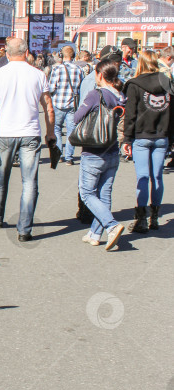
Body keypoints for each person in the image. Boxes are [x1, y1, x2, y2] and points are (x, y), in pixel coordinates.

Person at [0, 38, 55, 243]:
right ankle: (24, 229)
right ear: (26, 52)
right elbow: (48, 107)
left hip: (5, 134)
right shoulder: (38, 74)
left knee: (0, 178)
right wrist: (50, 134)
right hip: (30, 134)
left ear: (7, 53)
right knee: (29, 183)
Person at [74, 61, 126, 250]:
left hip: (94, 150)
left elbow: (77, 117)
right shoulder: (121, 96)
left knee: (87, 192)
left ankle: (111, 225)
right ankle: (95, 233)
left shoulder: (96, 95)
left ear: (100, 75)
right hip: (113, 150)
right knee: (104, 193)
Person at [121, 49, 174, 233]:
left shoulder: (134, 84)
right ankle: (155, 217)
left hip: (142, 136)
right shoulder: (166, 81)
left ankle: (141, 219)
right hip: (162, 136)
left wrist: (126, 139)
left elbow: (131, 115)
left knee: (142, 177)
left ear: (141, 63)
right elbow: (172, 111)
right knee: (157, 177)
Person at [49, 45, 84, 165]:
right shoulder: (79, 69)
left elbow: (51, 87)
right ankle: (69, 157)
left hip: (58, 103)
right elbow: (81, 87)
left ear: (61, 55)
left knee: (57, 129)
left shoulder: (57, 69)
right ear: (73, 56)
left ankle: (59, 155)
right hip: (73, 104)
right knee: (71, 130)